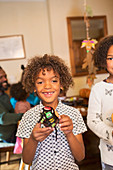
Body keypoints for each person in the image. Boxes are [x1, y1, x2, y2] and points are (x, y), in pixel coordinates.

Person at [16, 54, 87, 170]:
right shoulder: (28, 117)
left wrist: (69, 133)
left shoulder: (73, 114)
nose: (47, 86)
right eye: (40, 82)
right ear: (34, 87)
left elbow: (80, 156)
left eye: (54, 80)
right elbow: (27, 160)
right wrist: (34, 139)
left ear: (62, 84)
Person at [87, 35, 113, 170]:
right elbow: (92, 120)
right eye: (111, 58)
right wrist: (111, 133)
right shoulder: (98, 89)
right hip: (110, 156)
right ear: (103, 60)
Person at [0, 66, 23, 143]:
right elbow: (3, 119)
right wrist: (23, 115)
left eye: (5, 76)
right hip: (8, 135)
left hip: (14, 128)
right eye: (1, 78)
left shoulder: (4, 95)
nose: (5, 79)